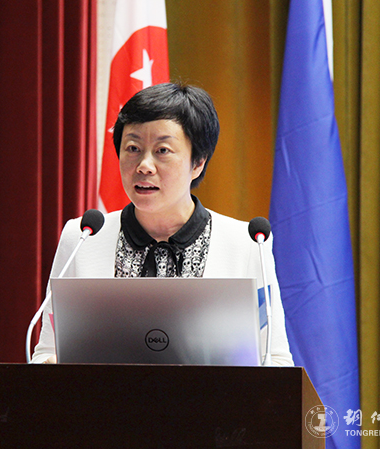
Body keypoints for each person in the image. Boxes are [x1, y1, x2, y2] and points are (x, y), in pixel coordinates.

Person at [31, 82, 294, 366]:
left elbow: (277, 361)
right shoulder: (83, 237)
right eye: (133, 148)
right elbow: (45, 352)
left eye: (163, 150)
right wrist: (51, 366)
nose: (144, 165)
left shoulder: (246, 244)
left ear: (198, 163)